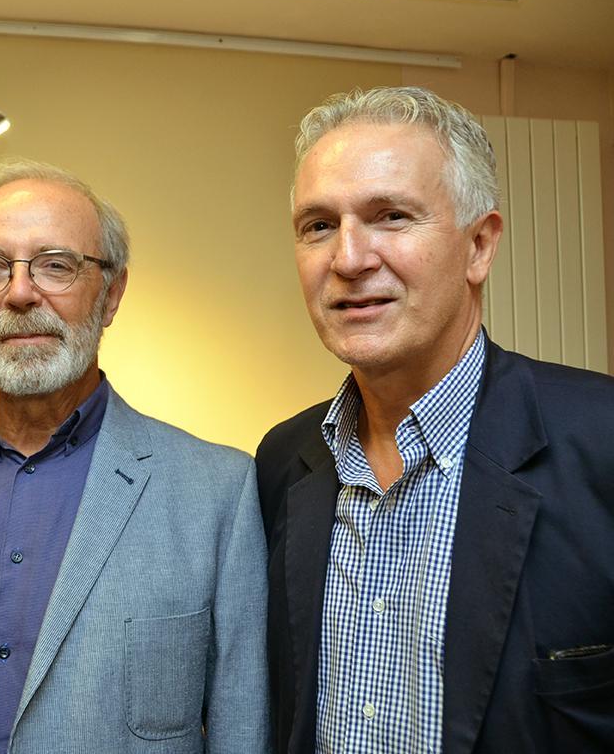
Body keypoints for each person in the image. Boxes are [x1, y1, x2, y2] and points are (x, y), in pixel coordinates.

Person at [0, 158, 269, 754]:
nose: (20, 293)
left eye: (56, 265)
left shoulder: (218, 494)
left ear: (112, 293)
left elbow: (241, 729)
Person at [257, 86, 614, 753]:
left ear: (479, 245)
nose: (348, 258)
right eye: (318, 225)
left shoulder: (601, 440)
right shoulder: (283, 462)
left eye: (391, 216)